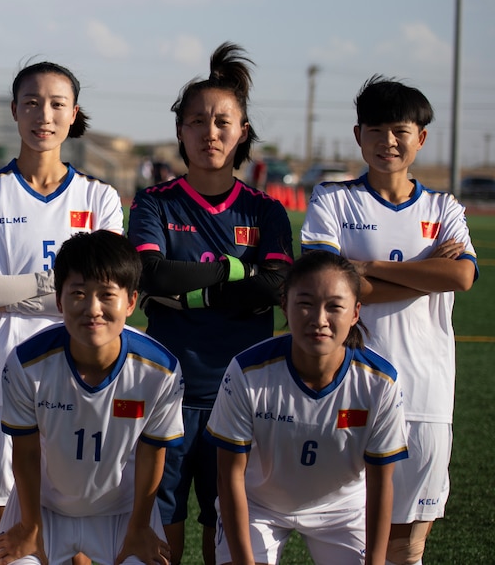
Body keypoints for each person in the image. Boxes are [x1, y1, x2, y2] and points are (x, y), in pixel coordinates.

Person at [0, 60, 123, 561]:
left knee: (83, 535)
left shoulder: (100, 197)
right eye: (31, 103)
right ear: (14, 111)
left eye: (55, 104)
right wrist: (68, 289)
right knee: (3, 531)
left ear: (73, 115)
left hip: (83, 378)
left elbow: (108, 295)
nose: (42, 115)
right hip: (4, 378)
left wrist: (9, 289)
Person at [126, 42, 293, 565]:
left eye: (223, 121)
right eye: (197, 121)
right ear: (180, 130)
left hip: (242, 394)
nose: (210, 132)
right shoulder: (154, 202)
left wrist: (188, 294)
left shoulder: (265, 210)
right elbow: (150, 273)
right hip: (167, 390)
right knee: (163, 520)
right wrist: (232, 270)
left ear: (242, 131)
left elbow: (276, 286)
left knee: (227, 523)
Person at [300, 76, 477, 565]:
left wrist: (368, 268)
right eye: (375, 131)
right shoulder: (331, 200)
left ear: (421, 138)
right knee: (346, 538)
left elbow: (461, 277)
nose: (388, 143)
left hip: (425, 394)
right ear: (359, 136)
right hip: (345, 388)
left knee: (406, 546)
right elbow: (327, 286)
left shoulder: (444, 209)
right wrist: (426, 272)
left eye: (400, 131)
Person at [0, 230, 183, 565]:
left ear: (131, 301)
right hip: (45, 507)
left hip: (122, 512)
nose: (92, 309)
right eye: (78, 293)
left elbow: (153, 456)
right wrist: (30, 527)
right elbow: (24, 455)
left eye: (107, 295)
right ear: (60, 299)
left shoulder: (161, 370)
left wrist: (139, 528)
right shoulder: (26, 363)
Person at [206, 251, 408, 565]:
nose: (319, 320)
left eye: (334, 306)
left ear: (355, 312)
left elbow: (381, 482)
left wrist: (376, 562)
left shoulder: (379, 383)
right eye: (305, 303)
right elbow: (229, 476)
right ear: (284, 303)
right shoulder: (247, 371)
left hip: (343, 510)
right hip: (259, 505)